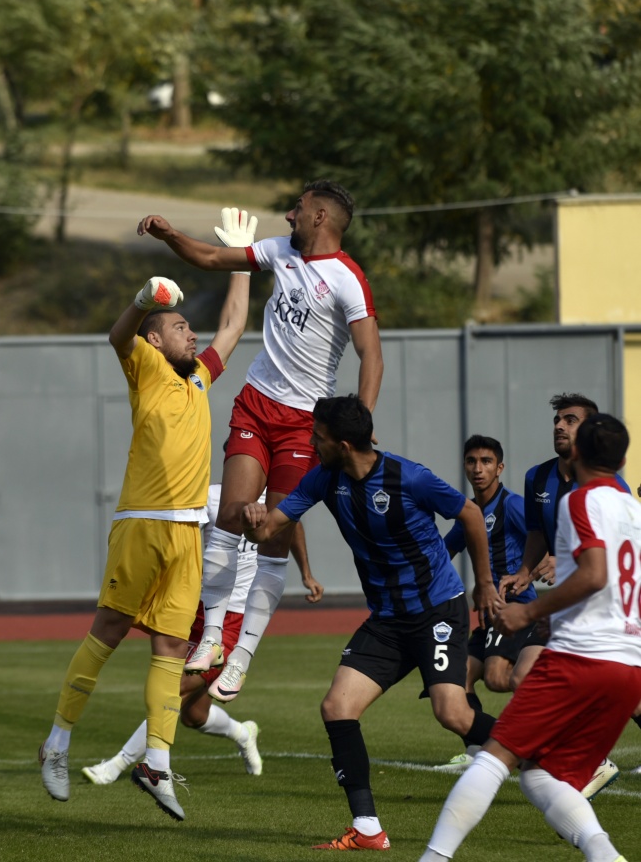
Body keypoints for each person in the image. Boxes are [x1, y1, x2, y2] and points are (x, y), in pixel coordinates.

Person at [137, 186, 383, 702]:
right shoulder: (279, 251)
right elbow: (209, 256)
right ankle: (210, 640)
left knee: (272, 533)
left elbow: (371, 356)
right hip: (256, 402)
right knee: (230, 516)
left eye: (297, 208)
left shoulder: (348, 279)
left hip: (302, 424)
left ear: (320, 217)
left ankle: (242, 655)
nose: (289, 214)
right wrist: (169, 235)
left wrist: (357, 424)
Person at [39, 266, 252, 822]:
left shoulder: (198, 378)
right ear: (156, 339)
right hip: (142, 523)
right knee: (107, 631)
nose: (193, 335)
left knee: (171, 650)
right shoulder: (147, 365)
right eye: (182, 327)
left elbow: (232, 325)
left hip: (186, 532)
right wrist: (142, 301)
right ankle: (57, 743)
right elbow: (119, 336)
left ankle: (157, 762)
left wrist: (239, 262)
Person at [241, 394, 501, 851]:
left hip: (437, 609)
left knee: (453, 714)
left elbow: (471, 513)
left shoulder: (410, 476)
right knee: (337, 708)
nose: (310, 442)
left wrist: (484, 583)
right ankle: (367, 829)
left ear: (343, 443)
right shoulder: (323, 479)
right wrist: (253, 517)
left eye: (316, 437)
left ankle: (542, 747)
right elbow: (267, 531)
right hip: (387, 619)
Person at [418, 413, 641, 862]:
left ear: (576, 452)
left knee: (493, 758)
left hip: (581, 659)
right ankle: (606, 857)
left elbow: (596, 574)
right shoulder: (632, 509)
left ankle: (433, 858)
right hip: (628, 666)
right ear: (621, 457)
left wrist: (530, 612)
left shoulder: (580, 500)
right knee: (540, 776)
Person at [81, 480, 323, 784]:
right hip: (200, 609)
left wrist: (306, 573)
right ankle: (244, 733)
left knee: (175, 688)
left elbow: (292, 527)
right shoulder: (213, 496)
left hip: (236, 616)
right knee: (194, 715)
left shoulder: (276, 496)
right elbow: (183, 540)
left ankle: (117, 765)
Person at [499, 392, 631, 799]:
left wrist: (566, 560)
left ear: (589, 433)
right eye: (557, 420)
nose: (559, 426)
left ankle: (584, 761)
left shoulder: (614, 489)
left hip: (605, 609)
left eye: (570, 420)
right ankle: (587, 762)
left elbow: (612, 555)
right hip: (567, 610)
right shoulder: (538, 478)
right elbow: (539, 533)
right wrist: (524, 571)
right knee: (521, 675)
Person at [436, 434, 536, 772]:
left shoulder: (513, 506)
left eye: (486, 462)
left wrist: (533, 570)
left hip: (517, 608)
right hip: (489, 615)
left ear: (500, 467)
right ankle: (478, 750)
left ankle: (551, 704)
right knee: (458, 678)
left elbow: (545, 544)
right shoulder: (469, 513)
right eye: (472, 461)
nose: (478, 469)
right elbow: (441, 552)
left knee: (497, 677)